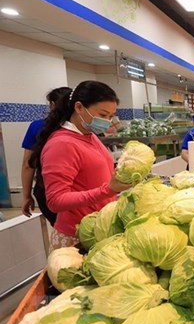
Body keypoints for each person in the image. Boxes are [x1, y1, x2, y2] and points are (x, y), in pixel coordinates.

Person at [29, 81, 132, 250]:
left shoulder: (90, 136)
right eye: (103, 115)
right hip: (76, 238)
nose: (107, 121)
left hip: (100, 230)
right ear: (79, 107)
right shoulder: (62, 144)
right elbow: (56, 200)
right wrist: (108, 190)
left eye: (111, 116)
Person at [21, 87, 71, 224]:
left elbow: (28, 165)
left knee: (62, 229)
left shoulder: (36, 127)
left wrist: (26, 196)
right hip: (76, 190)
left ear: (52, 105)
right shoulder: (79, 128)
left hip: (46, 189)